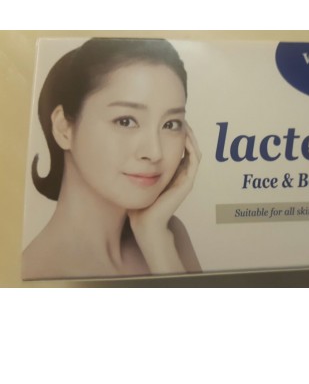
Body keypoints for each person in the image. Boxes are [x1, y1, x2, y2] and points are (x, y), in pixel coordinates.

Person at [22, 38, 201, 280]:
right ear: (64, 129)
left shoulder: (168, 235)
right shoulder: (40, 272)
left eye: (170, 124)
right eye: (126, 121)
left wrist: (155, 239)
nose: (155, 152)